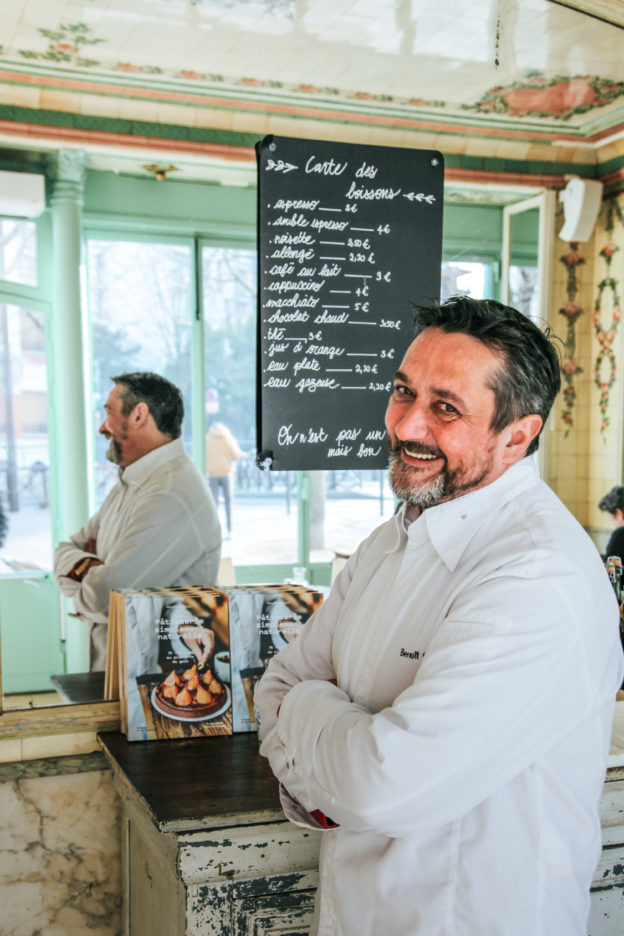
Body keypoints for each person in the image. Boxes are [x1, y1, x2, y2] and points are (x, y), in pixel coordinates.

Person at [254, 296, 624, 936]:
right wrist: (330, 781)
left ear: (518, 435)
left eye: (445, 408)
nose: (408, 426)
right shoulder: (390, 539)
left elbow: (378, 787)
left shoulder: (536, 573)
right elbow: (276, 687)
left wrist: (313, 723)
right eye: (404, 392)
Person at [54, 372, 221, 671]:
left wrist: (90, 572)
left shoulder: (171, 493)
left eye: (108, 413)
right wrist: (90, 567)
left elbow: (106, 596)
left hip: (152, 692)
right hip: (120, 678)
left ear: (139, 414)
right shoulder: (133, 482)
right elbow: (67, 548)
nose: (101, 427)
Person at [205, 422, 242, 536]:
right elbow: (236, 456)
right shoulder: (229, 438)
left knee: (214, 504)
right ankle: (229, 530)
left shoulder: (207, 439)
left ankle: (214, 531)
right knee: (228, 503)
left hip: (212, 474)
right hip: (227, 474)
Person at [599, 485, 624, 565]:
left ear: (619, 514)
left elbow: (612, 575)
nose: (613, 527)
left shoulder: (620, 535)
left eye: (613, 520)